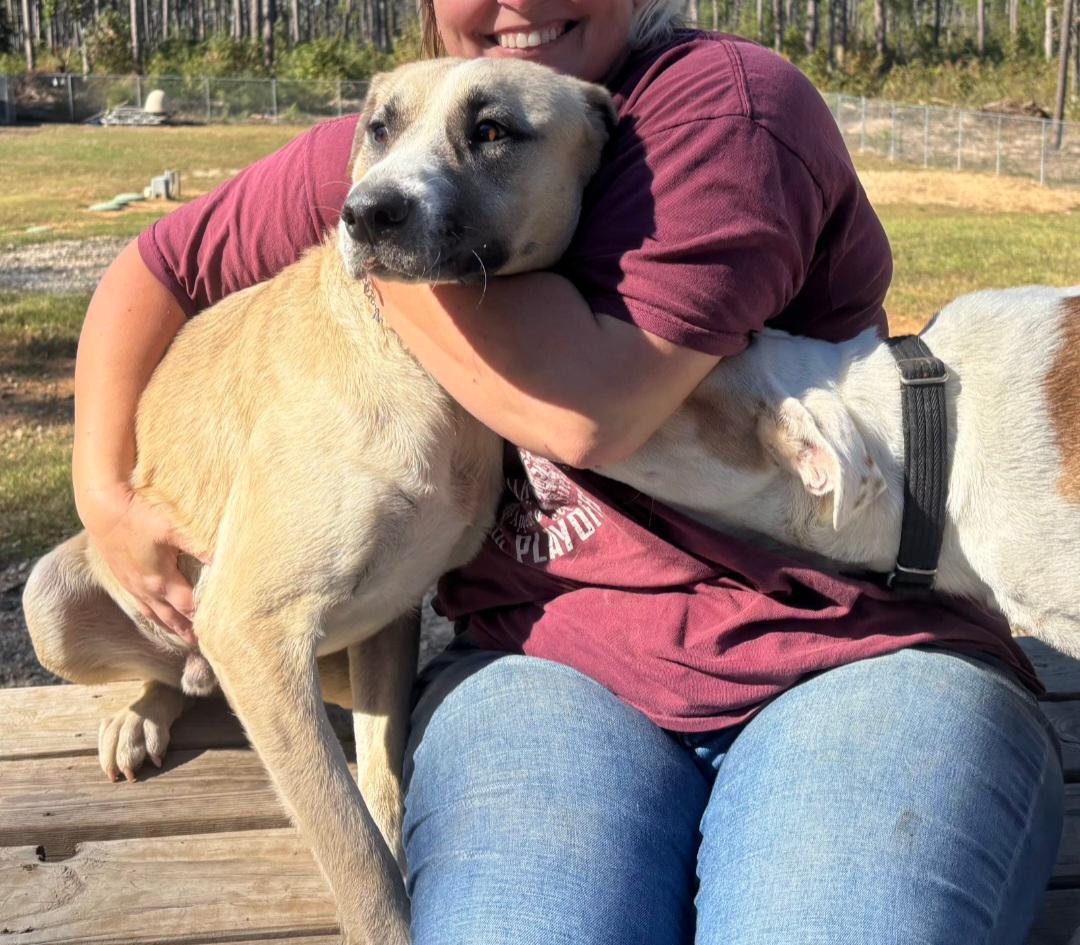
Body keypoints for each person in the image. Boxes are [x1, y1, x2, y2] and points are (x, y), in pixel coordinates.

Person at [74, 3, 1064, 942]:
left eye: (491, 136)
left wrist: (376, 233)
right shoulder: (408, 126)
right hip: (548, 668)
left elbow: (589, 411)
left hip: (848, 656)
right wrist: (105, 495)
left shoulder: (711, 112)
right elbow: (161, 266)